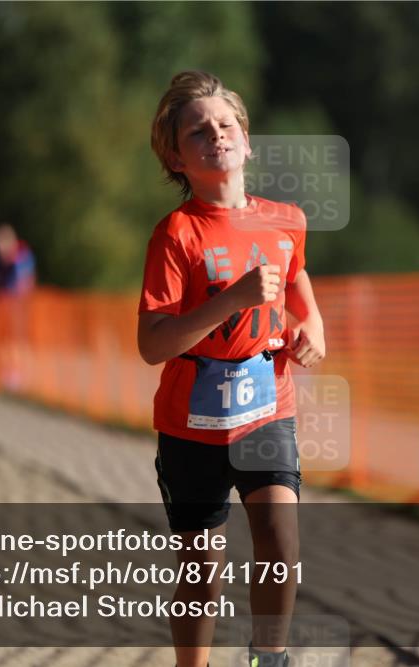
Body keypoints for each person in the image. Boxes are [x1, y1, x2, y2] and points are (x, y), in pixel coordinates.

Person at [138, 71, 326, 667]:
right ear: (177, 158)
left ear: (246, 141)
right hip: (190, 423)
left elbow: (295, 275)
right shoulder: (176, 234)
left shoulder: (286, 219)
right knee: (202, 571)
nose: (215, 135)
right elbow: (152, 344)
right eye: (198, 131)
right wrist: (232, 300)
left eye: (225, 125)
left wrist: (313, 326)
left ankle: (269, 658)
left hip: (267, 407)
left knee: (280, 538)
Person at [0, 224, 36, 390]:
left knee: (16, 339)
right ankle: (5, 372)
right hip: (2, 305)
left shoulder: (22, 257)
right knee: (3, 339)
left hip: (18, 305)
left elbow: (23, 281)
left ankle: (18, 374)